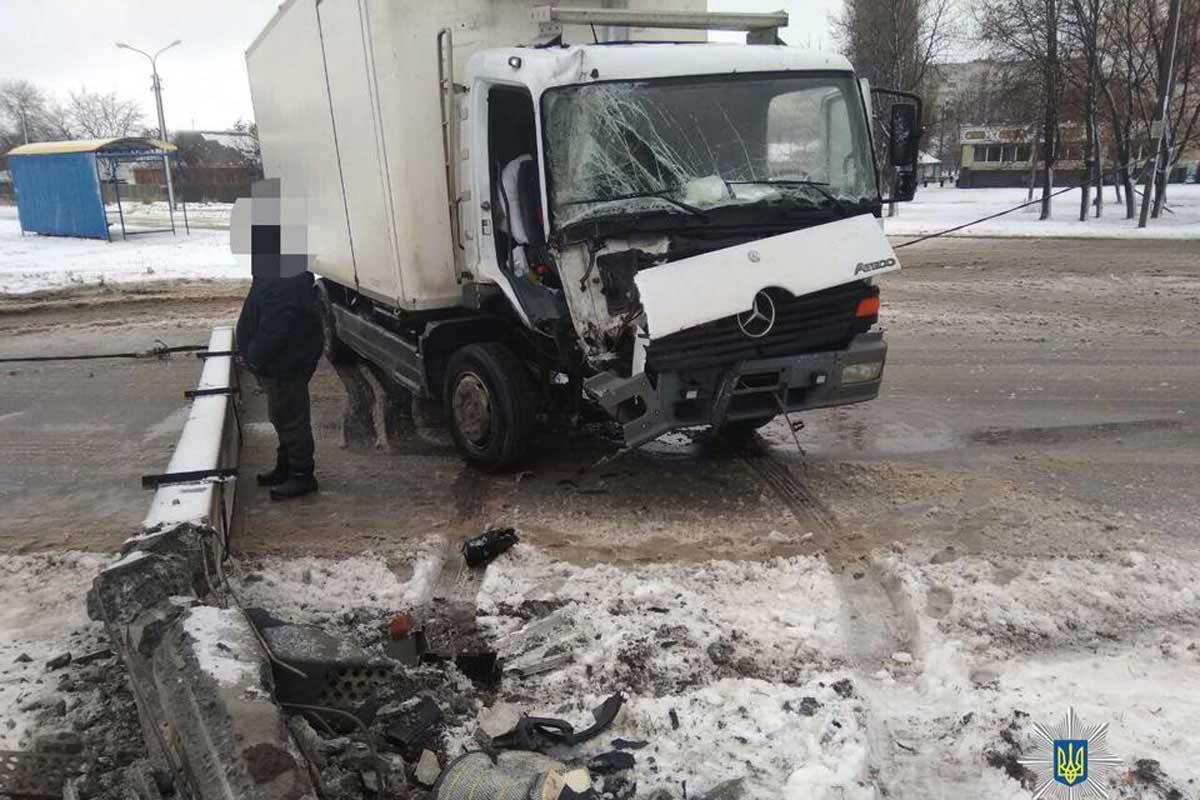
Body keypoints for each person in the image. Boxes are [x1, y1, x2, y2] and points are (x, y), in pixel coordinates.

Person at [232, 180, 324, 500]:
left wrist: (255, 354)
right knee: (282, 414)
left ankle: (302, 474)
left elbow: (278, 323)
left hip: (287, 358)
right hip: (282, 357)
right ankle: (287, 466)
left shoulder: (285, 267)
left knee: (290, 416)